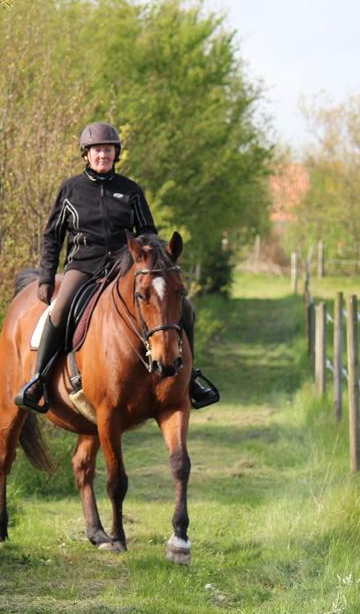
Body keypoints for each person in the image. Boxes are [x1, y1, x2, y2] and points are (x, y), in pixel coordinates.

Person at [15, 121, 220, 414]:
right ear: (86, 154)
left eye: (108, 150)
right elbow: (52, 237)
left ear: (116, 154)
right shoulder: (70, 190)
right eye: (97, 150)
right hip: (84, 267)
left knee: (184, 308)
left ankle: (189, 377)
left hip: (125, 268)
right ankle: (39, 379)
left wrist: (152, 258)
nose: (103, 155)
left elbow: (148, 233)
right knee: (59, 311)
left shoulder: (131, 190)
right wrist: (47, 277)